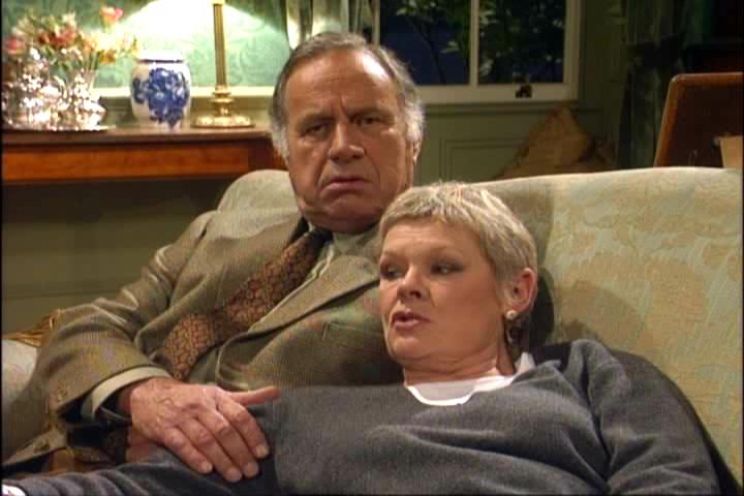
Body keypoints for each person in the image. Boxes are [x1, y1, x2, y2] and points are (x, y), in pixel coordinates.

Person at [3, 182, 720, 494]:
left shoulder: (591, 376)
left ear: (516, 291)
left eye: (442, 268)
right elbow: (153, 488)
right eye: (391, 271)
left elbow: (670, 481)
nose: (406, 287)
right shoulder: (305, 414)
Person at [3, 30, 423, 482]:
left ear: (413, 142)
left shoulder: (437, 270)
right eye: (316, 128)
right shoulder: (222, 228)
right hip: (57, 461)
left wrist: (180, 447)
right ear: (284, 153)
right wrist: (145, 396)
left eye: (368, 120)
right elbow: (82, 328)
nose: (342, 146)